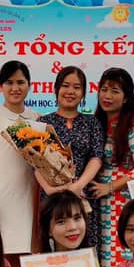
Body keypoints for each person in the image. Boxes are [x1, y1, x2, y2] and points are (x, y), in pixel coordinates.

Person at [89, 68, 134, 267]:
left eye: (115, 91)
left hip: (120, 201)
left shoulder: (133, 127)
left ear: (126, 97)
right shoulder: (95, 124)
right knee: (96, 257)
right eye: (104, 89)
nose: (107, 96)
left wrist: (110, 187)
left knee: (117, 255)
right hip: (96, 201)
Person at [0, 60, 40, 266]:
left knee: (29, 261)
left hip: (30, 200)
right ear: (0, 86)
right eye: (9, 83)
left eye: (20, 82)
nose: (15, 88)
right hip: (1, 199)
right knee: (2, 261)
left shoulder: (37, 118)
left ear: (29, 85)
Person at [36, 66, 104, 251]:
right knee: (53, 247)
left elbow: (96, 157)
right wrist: (50, 190)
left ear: (83, 93)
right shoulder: (43, 123)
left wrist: (78, 186)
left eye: (77, 87)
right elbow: (35, 163)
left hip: (83, 195)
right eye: (65, 85)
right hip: (52, 197)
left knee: (85, 246)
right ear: (56, 89)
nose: (70, 91)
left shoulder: (92, 122)